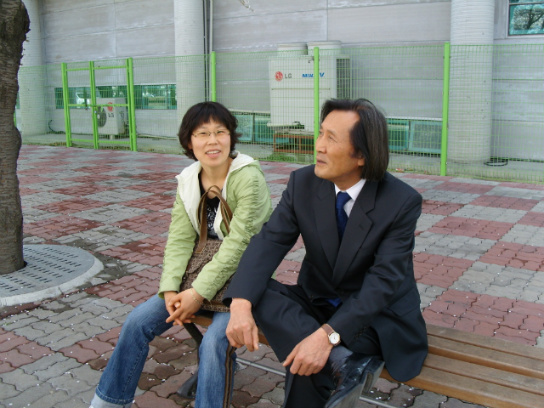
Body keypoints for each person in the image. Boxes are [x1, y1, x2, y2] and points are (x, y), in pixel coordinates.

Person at [225, 98, 428, 408]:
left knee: (307, 357)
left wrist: (325, 337)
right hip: (319, 302)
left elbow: (383, 282)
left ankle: (333, 356)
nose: (318, 145)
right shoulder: (303, 183)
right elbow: (270, 241)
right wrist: (240, 304)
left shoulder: (400, 201)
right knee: (250, 288)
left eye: (331, 138)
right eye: (320, 133)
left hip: (373, 319)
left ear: (362, 154)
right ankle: (342, 362)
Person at [90, 101, 273, 408]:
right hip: (199, 277)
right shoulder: (189, 180)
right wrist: (171, 290)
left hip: (245, 280)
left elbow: (239, 245)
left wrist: (196, 295)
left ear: (231, 137)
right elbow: (179, 239)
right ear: (189, 141)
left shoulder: (248, 178)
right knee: (137, 322)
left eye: (220, 132)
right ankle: (109, 402)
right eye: (203, 134)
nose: (213, 141)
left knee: (213, 343)